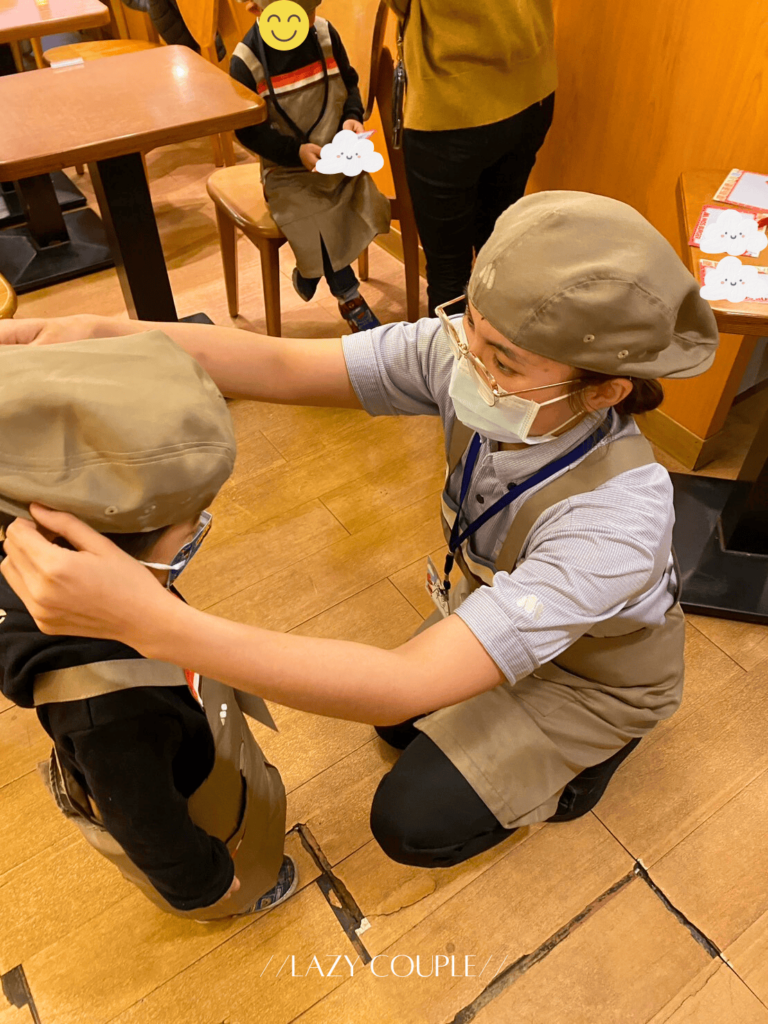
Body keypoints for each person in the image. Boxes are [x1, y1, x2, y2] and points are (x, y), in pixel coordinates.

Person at [1, 192, 719, 869]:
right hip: (499, 598)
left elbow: (404, 682)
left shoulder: (616, 523)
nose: (469, 361)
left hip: (593, 677)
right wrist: (102, 334)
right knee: (394, 725)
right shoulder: (469, 362)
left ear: (604, 390)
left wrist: (148, 622)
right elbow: (283, 364)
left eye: (503, 361)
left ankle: (601, 747)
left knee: (410, 819)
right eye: (469, 326)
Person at [0, 333, 293, 919]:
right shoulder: (109, 712)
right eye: (187, 532)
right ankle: (248, 890)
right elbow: (144, 820)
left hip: (179, 722)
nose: (195, 534)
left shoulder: (31, 554)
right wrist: (202, 881)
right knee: (232, 844)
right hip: (197, 809)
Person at [384, 0, 556, 316]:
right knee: (498, 254)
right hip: (532, 88)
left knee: (449, 275)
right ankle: (496, 346)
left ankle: (455, 349)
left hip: (449, 100)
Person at [229, 0, 390, 332]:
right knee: (316, 222)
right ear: (255, 9)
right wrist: (295, 152)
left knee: (363, 202)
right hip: (287, 171)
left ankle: (309, 271)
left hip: (337, 159)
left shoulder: (326, 35)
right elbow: (247, 131)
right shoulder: (246, 62)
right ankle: (350, 298)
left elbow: (349, 83)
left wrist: (352, 117)